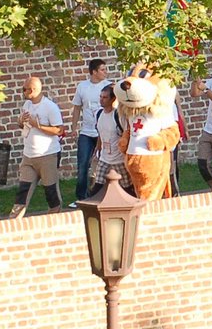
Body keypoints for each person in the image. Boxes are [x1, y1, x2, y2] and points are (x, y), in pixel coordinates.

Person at [11, 77, 64, 218]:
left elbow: (59, 130)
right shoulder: (27, 104)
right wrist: (20, 121)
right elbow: (22, 125)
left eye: (24, 89)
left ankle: (55, 219)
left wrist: (38, 125)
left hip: (47, 154)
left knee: (50, 191)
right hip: (29, 155)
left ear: (33, 89)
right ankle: (13, 222)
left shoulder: (50, 107)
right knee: (23, 191)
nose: (22, 92)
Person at [68, 59, 111, 206]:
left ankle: (104, 195)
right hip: (87, 132)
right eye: (102, 70)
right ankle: (82, 198)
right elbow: (77, 108)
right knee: (83, 164)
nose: (105, 72)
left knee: (105, 164)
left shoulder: (108, 86)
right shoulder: (83, 87)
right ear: (94, 72)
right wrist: (73, 128)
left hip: (103, 132)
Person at [90, 85, 128, 194]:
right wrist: (97, 148)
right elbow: (101, 134)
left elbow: (125, 134)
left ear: (112, 99)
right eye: (100, 97)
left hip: (118, 158)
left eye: (105, 97)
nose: (101, 100)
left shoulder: (118, 116)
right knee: (97, 186)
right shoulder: (99, 114)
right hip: (104, 158)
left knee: (126, 186)